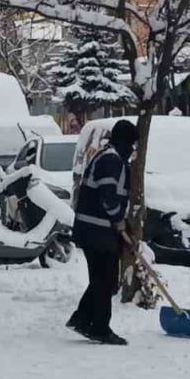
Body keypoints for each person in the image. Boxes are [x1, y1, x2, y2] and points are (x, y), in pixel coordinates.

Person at [66, 119, 137, 346]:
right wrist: (118, 220)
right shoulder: (111, 160)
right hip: (96, 230)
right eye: (132, 144)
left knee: (101, 279)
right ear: (125, 141)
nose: (133, 149)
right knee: (105, 279)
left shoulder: (110, 157)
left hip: (96, 230)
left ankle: (82, 319)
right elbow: (108, 198)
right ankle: (99, 327)